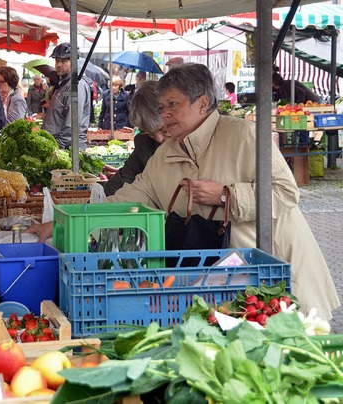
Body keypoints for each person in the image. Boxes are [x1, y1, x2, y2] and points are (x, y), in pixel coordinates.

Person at [29, 63, 340, 320]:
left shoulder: (244, 136)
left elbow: (286, 194)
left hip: (276, 274)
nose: (164, 114)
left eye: (172, 105)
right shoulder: (165, 155)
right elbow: (128, 198)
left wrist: (225, 195)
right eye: (162, 107)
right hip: (226, 284)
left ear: (202, 103)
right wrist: (60, 224)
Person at [104, 81, 167, 196]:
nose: (158, 138)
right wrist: (96, 203)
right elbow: (126, 176)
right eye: (151, 133)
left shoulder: (188, 141)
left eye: (163, 130)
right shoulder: (144, 142)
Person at [40, 42, 92, 151]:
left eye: (64, 61)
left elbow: (72, 122)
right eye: (57, 60)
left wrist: (58, 145)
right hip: (55, 144)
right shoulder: (63, 83)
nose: (59, 64)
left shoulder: (77, 85)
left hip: (67, 148)